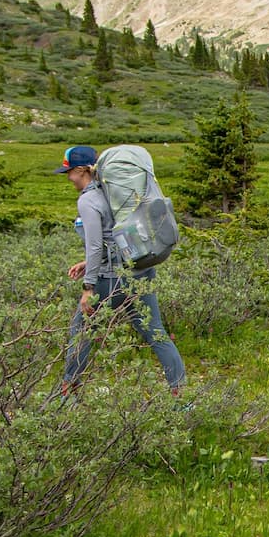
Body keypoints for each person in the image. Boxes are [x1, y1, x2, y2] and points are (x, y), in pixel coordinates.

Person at [59, 145, 186, 394]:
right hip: (139, 270)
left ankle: (67, 392)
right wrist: (87, 264)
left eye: (69, 172)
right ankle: (180, 392)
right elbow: (118, 236)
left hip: (110, 280)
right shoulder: (114, 193)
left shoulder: (88, 200)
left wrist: (88, 287)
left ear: (81, 170)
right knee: (155, 331)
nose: (68, 178)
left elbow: (95, 246)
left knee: (81, 330)